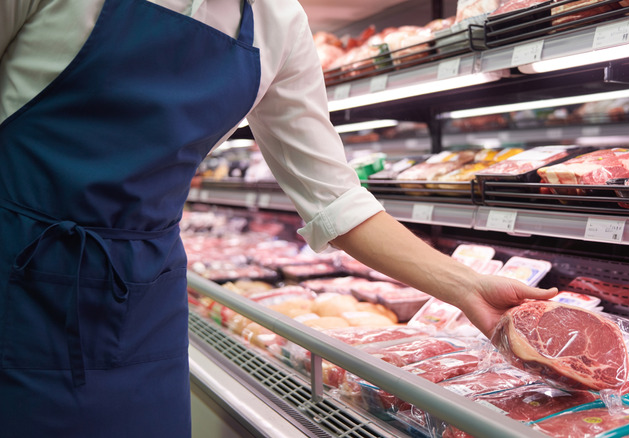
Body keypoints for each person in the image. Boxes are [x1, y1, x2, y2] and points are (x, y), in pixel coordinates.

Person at [0, 0, 556, 436]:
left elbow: (335, 199)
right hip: (15, 272)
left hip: (143, 299)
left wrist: (466, 287)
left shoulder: (279, 21)